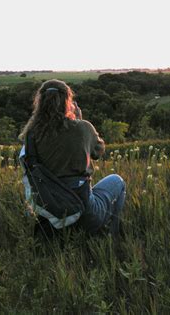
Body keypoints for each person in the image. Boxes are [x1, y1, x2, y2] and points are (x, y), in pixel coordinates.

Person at [18, 79, 126, 239]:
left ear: (40, 103)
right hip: (85, 212)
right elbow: (98, 151)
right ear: (67, 102)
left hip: (50, 214)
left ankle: (58, 233)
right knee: (117, 181)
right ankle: (112, 235)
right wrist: (79, 121)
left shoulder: (32, 135)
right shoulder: (83, 128)